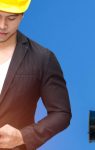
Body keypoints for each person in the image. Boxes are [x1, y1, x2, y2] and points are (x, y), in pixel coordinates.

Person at [0, 0, 72, 150]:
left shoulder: (42, 59)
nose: (3, 25)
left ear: (22, 16)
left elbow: (61, 113)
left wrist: (22, 136)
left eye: (11, 18)